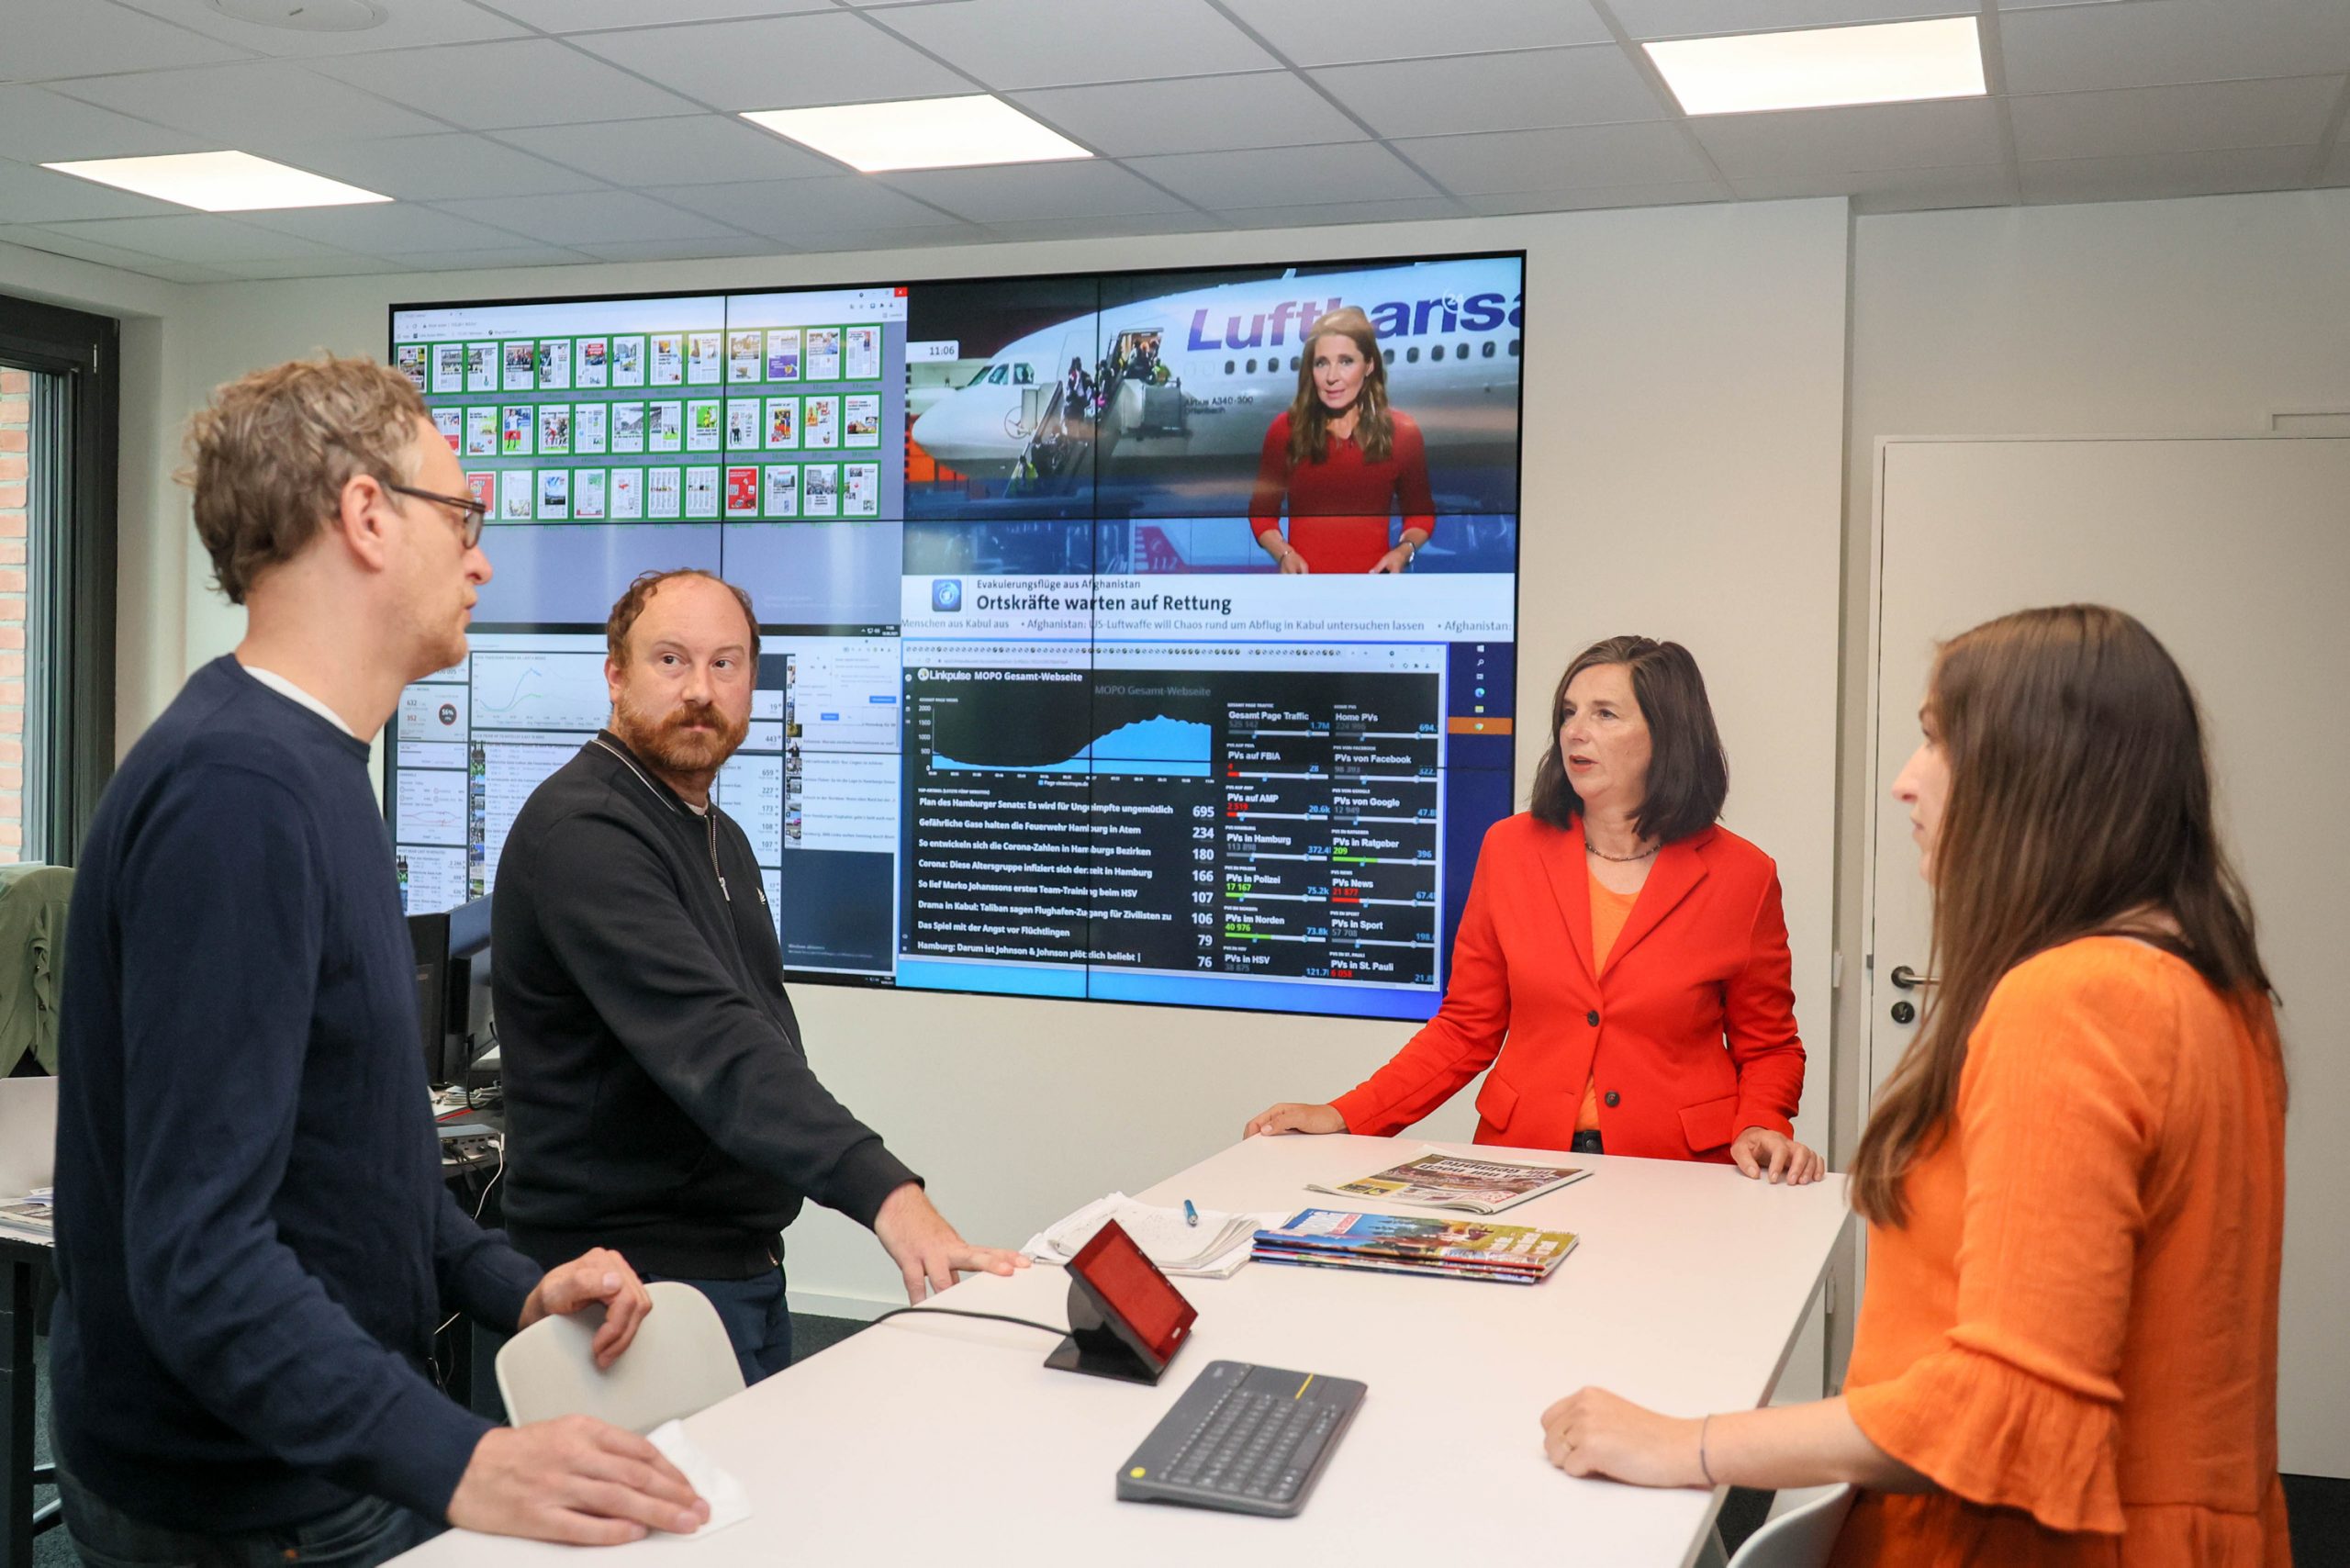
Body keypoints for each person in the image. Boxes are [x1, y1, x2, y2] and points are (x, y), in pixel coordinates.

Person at [49, 357, 708, 1568]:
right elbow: (201, 1255)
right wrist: (463, 1458)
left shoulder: (310, 764)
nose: (482, 558)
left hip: (308, 1457)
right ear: (365, 516)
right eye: (463, 516)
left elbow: (343, 1153)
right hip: (251, 1499)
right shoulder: (238, 794)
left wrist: (511, 1284)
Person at [1539, 606, 2290, 1567]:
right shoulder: (2210, 982)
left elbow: (2000, 1411)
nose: (1904, 778)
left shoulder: (2075, 1000)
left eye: (1935, 738)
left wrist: (1686, 1443)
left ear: (2040, 765)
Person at [492, 568, 1026, 1384]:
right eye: (670, 661)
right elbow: (719, 1046)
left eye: (725, 664)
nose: (700, 691)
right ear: (614, 673)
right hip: (632, 1291)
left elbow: (765, 1036)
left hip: (734, 1273)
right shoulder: (585, 831)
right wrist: (889, 1196)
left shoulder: (718, 833)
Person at [1247, 636, 1822, 1182]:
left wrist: (1761, 1124)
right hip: (1521, 1161)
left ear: (1667, 736)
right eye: (1569, 712)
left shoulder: (1743, 875)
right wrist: (1347, 1114)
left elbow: (1769, 1046)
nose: (1575, 731)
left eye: (1605, 714)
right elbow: (1465, 1030)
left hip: (1677, 1172)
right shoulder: (1510, 849)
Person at [1248, 305, 1435, 575]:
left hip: (1375, 592)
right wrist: (1284, 554)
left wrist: (1403, 551)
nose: (1332, 377)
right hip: (1305, 593)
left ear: (1368, 365)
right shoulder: (1286, 429)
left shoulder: (1402, 432)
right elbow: (1262, 514)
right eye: (1321, 363)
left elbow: (1421, 514)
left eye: (1346, 361)